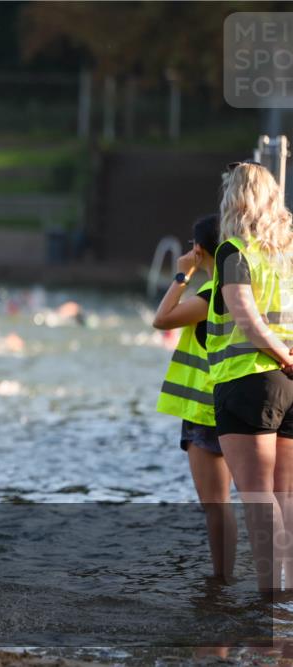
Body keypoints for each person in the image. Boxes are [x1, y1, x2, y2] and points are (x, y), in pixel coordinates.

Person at [206, 161, 293, 593]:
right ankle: (289, 592)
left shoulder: (234, 251)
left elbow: (247, 317)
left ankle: (268, 593)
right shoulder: (289, 251)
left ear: (234, 200)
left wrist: (278, 353)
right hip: (291, 383)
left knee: (258, 495)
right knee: (286, 495)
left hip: (249, 379)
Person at [153, 214, 236, 581]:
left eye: (192, 246)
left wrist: (181, 275)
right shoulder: (245, 289)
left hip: (205, 409)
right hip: (234, 402)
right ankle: (232, 579)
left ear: (200, 250)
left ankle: (221, 579)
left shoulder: (211, 294)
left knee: (215, 505)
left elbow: (162, 318)